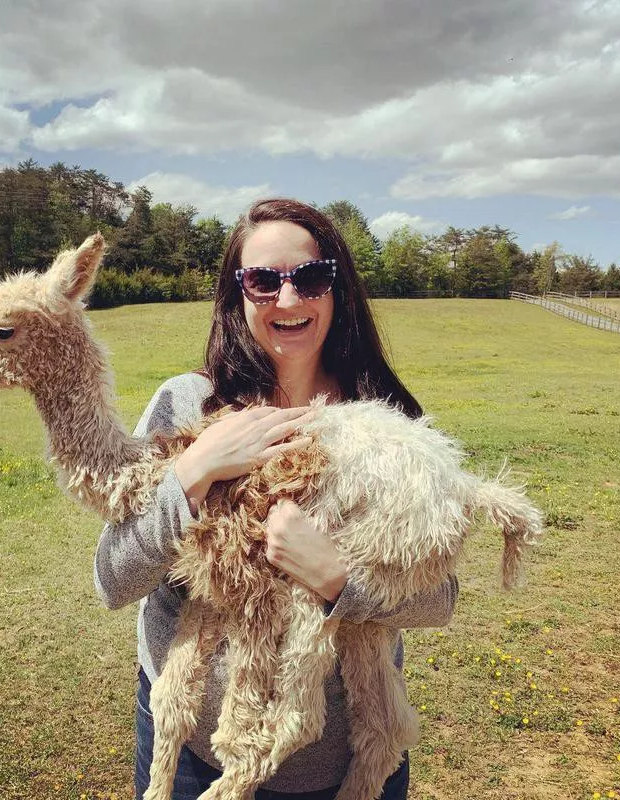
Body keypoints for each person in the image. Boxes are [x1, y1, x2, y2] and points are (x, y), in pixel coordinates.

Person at [94, 198, 458, 799]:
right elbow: (112, 577)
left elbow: (438, 599)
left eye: (310, 278)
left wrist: (339, 579)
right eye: (262, 281)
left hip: (346, 764)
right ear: (237, 295)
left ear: (337, 288)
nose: (288, 300)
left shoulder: (386, 425)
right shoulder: (188, 406)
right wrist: (193, 469)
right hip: (192, 752)